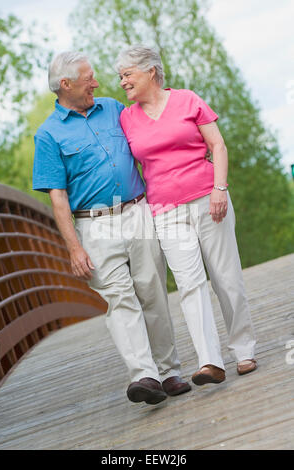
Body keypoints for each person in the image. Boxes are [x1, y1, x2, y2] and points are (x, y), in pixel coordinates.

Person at [32, 51, 191, 405]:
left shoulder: (115, 109)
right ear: (65, 84)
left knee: (151, 290)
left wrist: (192, 152)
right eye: (89, 78)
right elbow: (58, 200)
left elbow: (153, 139)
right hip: (94, 224)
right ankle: (144, 376)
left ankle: (169, 371)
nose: (97, 83)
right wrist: (74, 247)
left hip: (138, 210)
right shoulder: (48, 135)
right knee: (120, 298)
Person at [116, 45, 257, 383]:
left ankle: (244, 350)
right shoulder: (127, 118)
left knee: (226, 277)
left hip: (208, 200)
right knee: (190, 284)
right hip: (165, 210)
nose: (122, 82)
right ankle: (211, 362)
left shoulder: (187, 100)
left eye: (127, 74)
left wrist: (219, 188)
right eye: (120, 76)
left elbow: (217, 146)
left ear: (151, 71)